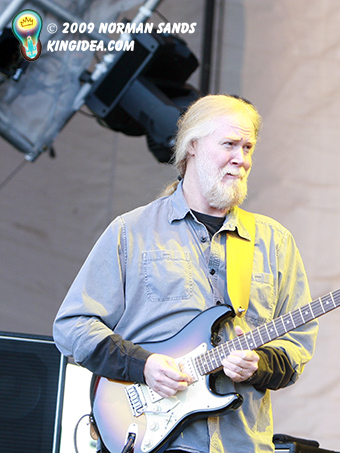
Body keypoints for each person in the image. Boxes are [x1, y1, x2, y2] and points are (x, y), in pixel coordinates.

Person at [53, 94, 318, 453]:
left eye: (248, 148)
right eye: (229, 144)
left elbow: (298, 344)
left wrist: (260, 364)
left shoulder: (275, 242)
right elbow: (73, 326)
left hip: (242, 443)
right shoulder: (132, 231)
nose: (241, 159)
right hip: (150, 438)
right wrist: (143, 366)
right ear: (192, 146)